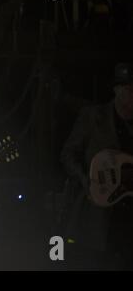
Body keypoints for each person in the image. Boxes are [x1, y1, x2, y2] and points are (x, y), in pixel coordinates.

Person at [61, 62, 133, 269]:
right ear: (117, 90)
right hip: (99, 217)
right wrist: (87, 182)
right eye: (129, 88)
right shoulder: (93, 117)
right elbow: (67, 154)